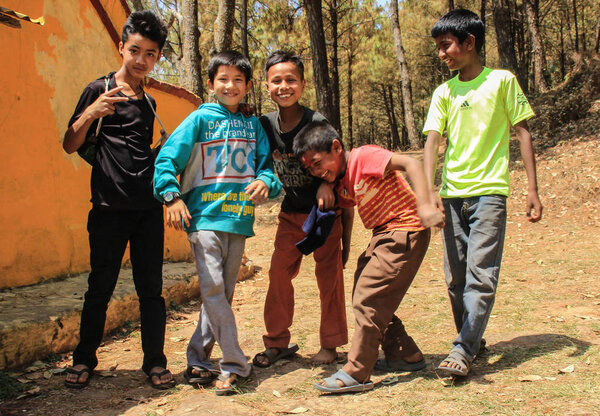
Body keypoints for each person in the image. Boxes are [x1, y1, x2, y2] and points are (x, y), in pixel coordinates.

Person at [422, 9, 543, 377]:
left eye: (446, 46)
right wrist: (430, 191)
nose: (442, 54)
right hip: (453, 195)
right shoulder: (444, 92)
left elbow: (523, 132)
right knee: (454, 277)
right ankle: (472, 336)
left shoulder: (502, 81)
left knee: (481, 274)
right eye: (439, 47)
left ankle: (462, 349)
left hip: (490, 192)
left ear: (469, 43)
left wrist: (533, 190)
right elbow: (432, 142)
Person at [153, 51, 282, 395]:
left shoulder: (254, 125)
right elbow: (167, 157)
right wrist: (171, 194)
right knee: (212, 290)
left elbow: (267, 167)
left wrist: (266, 182)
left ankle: (198, 358)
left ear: (248, 86)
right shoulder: (198, 119)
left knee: (220, 294)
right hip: (203, 219)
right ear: (211, 84)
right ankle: (235, 362)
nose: (230, 85)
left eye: (238, 80)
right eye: (223, 79)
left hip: (238, 219)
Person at [62, 11, 174, 390]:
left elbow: (145, 151)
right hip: (108, 209)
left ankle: (154, 363)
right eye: (136, 51)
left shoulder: (151, 102)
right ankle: (84, 359)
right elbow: (69, 143)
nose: (142, 60)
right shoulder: (99, 89)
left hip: (147, 211)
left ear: (157, 58)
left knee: (151, 291)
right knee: (100, 288)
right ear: (121, 47)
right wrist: (91, 112)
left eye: (151, 54)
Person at [293, 121, 445, 394]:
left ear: (336, 148)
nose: (317, 172)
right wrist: (346, 247)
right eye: (310, 169)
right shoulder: (341, 181)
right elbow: (347, 212)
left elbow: (411, 163)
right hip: (382, 234)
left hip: (405, 228)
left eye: (318, 163)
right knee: (363, 288)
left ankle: (357, 371)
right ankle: (403, 352)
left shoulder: (363, 157)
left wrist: (425, 205)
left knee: (368, 298)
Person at [253, 51, 353, 368]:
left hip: (323, 214)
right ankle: (277, 342)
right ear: (266, 85)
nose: (284, 86)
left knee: (329, 278)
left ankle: (331, 344)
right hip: (291, 214)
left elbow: (341, 158)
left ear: (302, 84)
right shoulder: (264, 125)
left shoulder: (317, 122)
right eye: (277, 80)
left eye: (291, 80)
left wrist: (328, 183)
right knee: (278, 274)